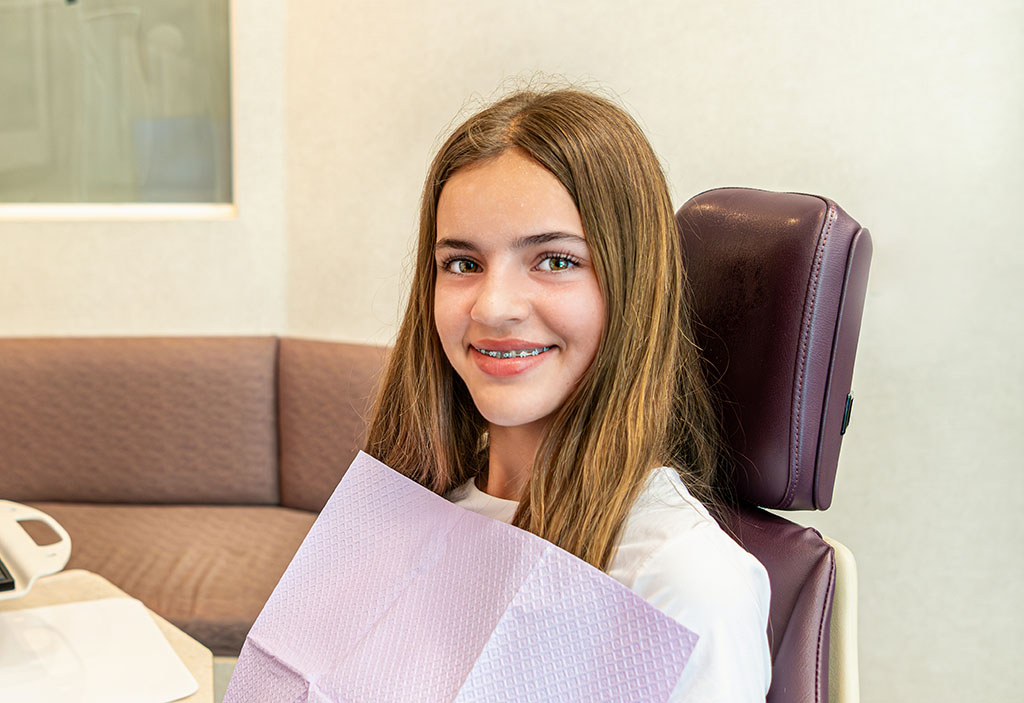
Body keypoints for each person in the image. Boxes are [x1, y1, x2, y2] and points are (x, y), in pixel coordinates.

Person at [365, 87, 771, 701]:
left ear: (632, 287)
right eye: (462, 264)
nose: (494, 307)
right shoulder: (420, 503)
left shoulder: (679, 580)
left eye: (554, 261)